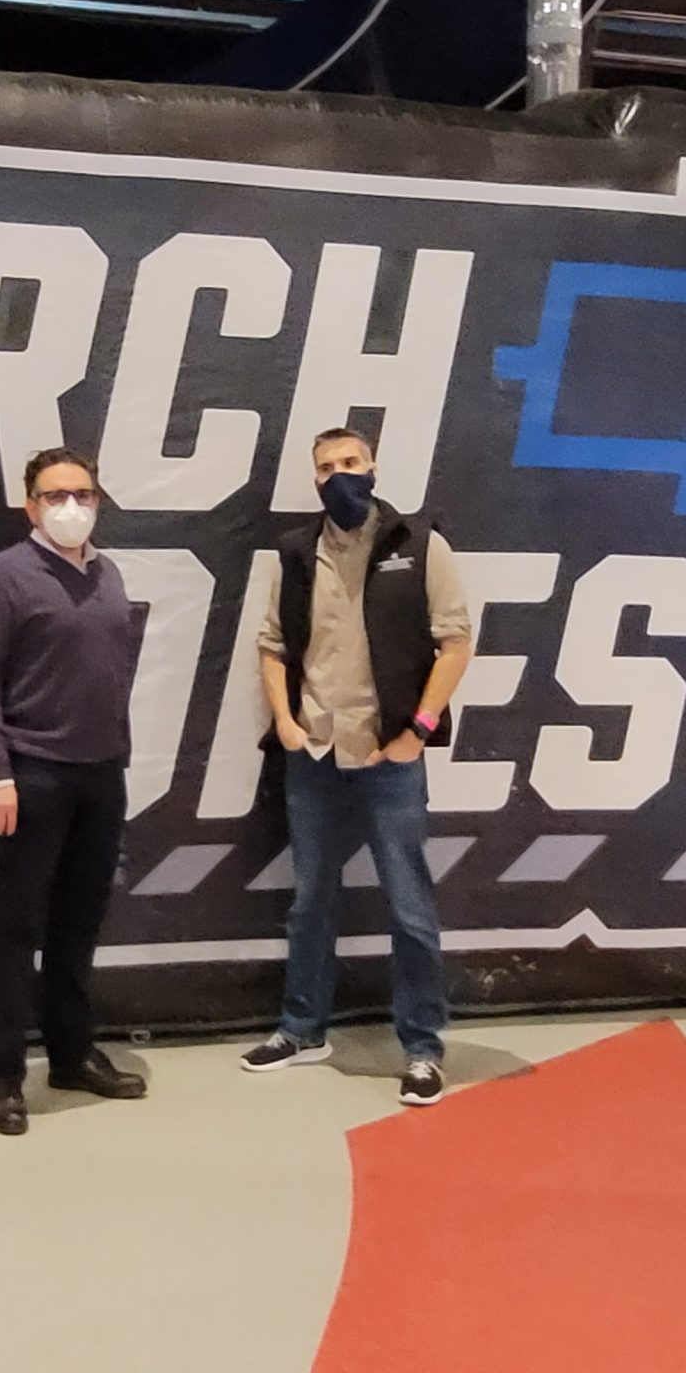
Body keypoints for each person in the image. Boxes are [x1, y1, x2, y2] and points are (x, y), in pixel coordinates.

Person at [241, 428, 473, 1105]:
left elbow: (456, 643)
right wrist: (285, 722)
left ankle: (423, 1049)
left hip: (388, 758)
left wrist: (418, 731)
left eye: (350, 463)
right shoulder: (294, 552)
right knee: (310, 901)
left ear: (373, 466)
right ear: (313, 479)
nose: (339, 475)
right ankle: (302, 1028)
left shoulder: (420, 544)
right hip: (313, 755)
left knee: (409, 908)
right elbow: (273, 646)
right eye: (326, 467)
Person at [0, 446, 151, 1136]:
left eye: (83, 493)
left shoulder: (108, 573)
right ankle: (4, 1077)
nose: (71, 505)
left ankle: (71, 1055)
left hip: (101, 775)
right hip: (31, 777)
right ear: (30, 505)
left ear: (97, 500)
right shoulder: (2, 579)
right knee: (16, 928)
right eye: (55, 494)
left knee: (79, 924)